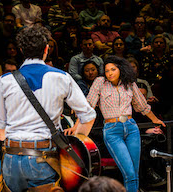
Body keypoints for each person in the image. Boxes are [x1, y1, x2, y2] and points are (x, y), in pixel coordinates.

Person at [0, 24, 96, 192]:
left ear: (21, 50)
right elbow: (88, 115)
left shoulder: (5, 80)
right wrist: (74, 143)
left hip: (12, 155)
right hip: (43, 155)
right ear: (46, 49)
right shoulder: (61, 77)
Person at [65, 55, 165, 192]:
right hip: (112, 130)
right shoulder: (100, 82)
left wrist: (155, 120)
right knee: (129, 173)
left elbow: (142, 106)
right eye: (106, 70)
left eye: (113, 69)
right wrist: (76, 126)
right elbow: (88, 106)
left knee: (134, 174)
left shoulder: (129, 83)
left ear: (121, 69)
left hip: (131, 127)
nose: (109, 73)